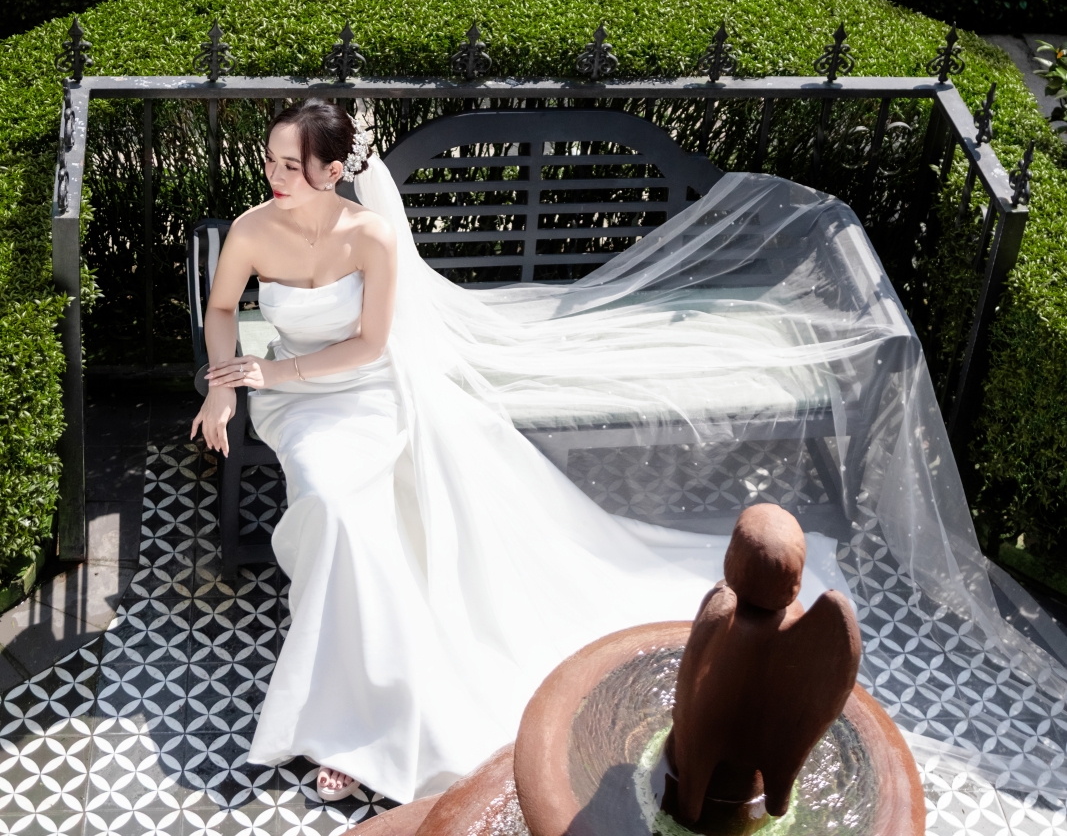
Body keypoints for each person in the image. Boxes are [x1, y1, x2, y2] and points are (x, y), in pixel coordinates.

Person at [189, 98, 1055, 810]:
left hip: (368, 388)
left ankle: (352, 725)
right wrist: (227, 385)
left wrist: (270, 368)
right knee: (339, 506)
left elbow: (373, 345)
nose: (274, 177)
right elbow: (224, 311)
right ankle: (349, 705)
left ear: (332, 171)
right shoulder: (254, 231)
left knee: (361, 525)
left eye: (290, 165)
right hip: (299, 405)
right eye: (270, 161)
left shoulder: (370, 238)